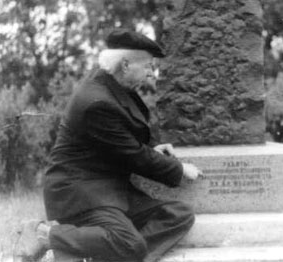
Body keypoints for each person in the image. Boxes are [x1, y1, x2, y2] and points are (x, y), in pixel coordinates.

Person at [13, 29, 202, 262]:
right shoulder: (96, 101)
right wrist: (179, 169)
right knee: (129, 243)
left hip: (108, 188)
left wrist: (154, 145)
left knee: (178, 214)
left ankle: (100, 255)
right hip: (80, 191)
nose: (151, 74)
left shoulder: (112, 86)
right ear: (125, 65)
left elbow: (127, 131)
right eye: (147, 66)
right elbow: (131, 154)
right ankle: (44, 234)